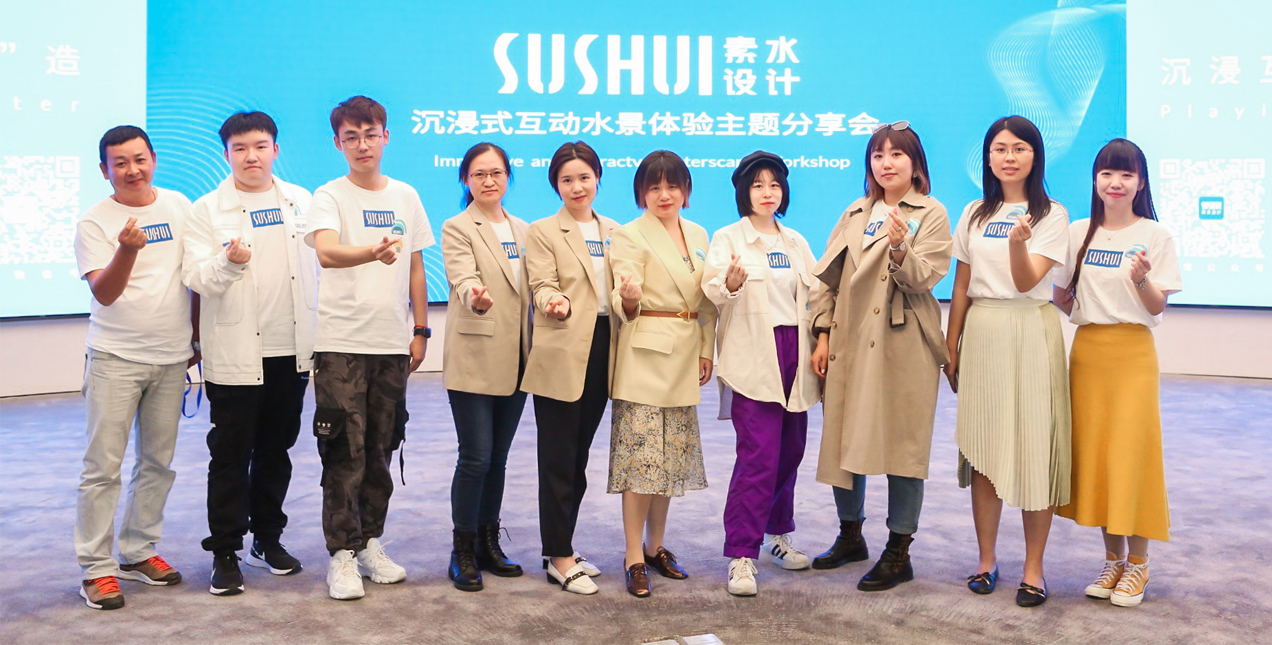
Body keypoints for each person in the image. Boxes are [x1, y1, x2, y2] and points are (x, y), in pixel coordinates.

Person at [809, 121, 952, 592]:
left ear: (915, 163)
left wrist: (898, 246)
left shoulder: (931, 212)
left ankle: (898, 551)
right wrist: (822, 334)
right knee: (844, 436)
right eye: (878, 155)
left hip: (902, 342)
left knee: (902, 443)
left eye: (896, 154)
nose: (886, 163)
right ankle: (851, 535)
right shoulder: (856, 211)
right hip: (849, 339)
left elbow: (923, 278)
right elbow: (826, 279)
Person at [183, 111, 318, 596]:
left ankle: (267, 538)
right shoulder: (206, 209)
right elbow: (195, 277)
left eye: (260, 146)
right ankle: (225, 551)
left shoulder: (302, 201)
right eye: (239, 148)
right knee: (230, 455)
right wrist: (228, 262)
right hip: (236, 353)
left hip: (291, 350)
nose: (251, 156)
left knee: (277, 451)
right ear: (226, 154)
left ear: (275, 150)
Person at [305, 96, 433, 601]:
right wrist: (372, 252)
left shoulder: (406, 195)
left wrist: (420, 330)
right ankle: (341, 553)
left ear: (386, 137)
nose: (363, 145)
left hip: (390, 344)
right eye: (351, 137)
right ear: (338, 143)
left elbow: (416, 266)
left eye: (371, 134)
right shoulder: (329, 195)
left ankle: (369, 544)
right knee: (344, 450)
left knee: (382, 448)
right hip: (340, 343)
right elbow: (326, 251)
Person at [944, 116, 1072, 607]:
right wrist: (951, 343)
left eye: (1019, 148)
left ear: (1035, 156)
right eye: (1000, 148)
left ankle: (1034, 568)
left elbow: (1026, 281)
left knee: (1034, 446)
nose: (1009, 157)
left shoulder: (1052, 214)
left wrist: (1019, 245)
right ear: (988, 157)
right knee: (983, 449)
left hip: (1031, 329)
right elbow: (961, 283)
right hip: (983, 330)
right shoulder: (974, 212)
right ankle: (986, 560)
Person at [73, 125, 198, 610]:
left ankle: (139, 551)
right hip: (115, 358)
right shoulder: (95, 222)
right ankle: (96, 569)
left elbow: (192, 277)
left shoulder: (179, 206)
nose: (132, 169)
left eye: (139, 159)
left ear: (154, 159)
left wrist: (196, 338)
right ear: (104, 170)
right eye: (120, 162)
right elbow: (104, 293)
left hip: (171, 357)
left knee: (157, 463)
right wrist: (127, 248)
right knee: (102, 468)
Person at [1053, 138, 1181, 608]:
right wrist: (1080, 309)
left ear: (1140, 183)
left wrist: (1141, 277)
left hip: (1132, 355)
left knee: (1132, 456)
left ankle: (1139, 564)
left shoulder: (1156, 235)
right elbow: (1060, 294)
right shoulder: (1078, 232)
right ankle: (1113, 560)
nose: (1116, 182)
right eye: (1107, 173)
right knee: (1100, 457)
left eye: (1126, 174)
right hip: (1088, 354)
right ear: (1095, 180)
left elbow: (1157, 304)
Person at [703, 151, 821, 596]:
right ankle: (741, 554)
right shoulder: (728, 238)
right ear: (743, 192)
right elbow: (713, 289)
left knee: (790, 450)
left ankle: (778, 535)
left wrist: (823, 341)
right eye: (757, 185)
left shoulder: (795, 241)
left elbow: (816, 295)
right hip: (754, 354)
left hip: (795, 352)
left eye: (774, 184)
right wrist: (731, 283)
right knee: (758, 456)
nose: (767, 193)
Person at [607, 150, 718, 598]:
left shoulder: (699, 234)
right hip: (646, 358)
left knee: (668, 461)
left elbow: (706, 301)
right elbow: (623, 294)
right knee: (641, 464)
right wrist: (629, 298)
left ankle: (656, 547)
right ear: (641, 193)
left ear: (686, 190)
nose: (664, 194)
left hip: (686, 354)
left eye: (672, 185)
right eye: (654, 187)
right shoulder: (628, 234)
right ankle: (633, 555)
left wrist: (706, 349)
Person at [522, 141, 620, 595]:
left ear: (597, 178)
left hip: (603, 347)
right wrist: (553, 301)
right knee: (558, 459)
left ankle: (562, 546)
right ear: (555, 185)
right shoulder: (543, 231)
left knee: (578, 458)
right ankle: (559, 557)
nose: (577, 187)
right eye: (567, 180)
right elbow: (541, 284)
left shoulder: (615, 231)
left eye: (584, 177)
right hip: (562, 346)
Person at [441, 142, 532, 592]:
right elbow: (463, 277)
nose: (489, 181)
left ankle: (487, 542)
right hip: (475, 356)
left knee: (498, 458)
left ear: (508, 177)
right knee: (475, 456)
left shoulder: (525, 230)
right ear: (466, 180)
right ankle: (461, 550)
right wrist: (474, 297)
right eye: (479, 174)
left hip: (518, 358)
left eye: (496, 173)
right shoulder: (458, 227)